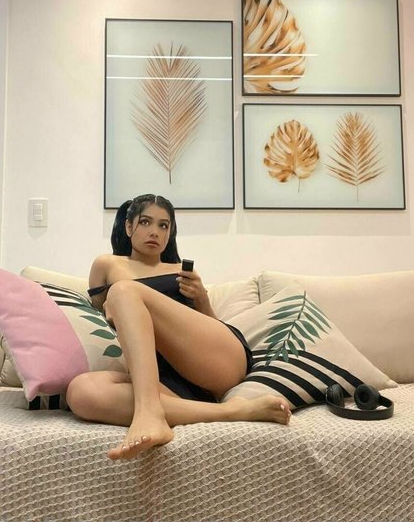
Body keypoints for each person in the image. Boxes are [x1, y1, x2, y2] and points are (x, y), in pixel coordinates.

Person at [66, 194, 291, 461]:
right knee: (81, 392)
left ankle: (149, 414)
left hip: (216, 363)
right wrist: (117, 311)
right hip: (164, 381)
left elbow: (210, 329)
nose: (154, 232)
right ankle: (234, 411)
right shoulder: (108, 264)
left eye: (163, 225)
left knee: (123, 291)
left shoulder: (179, 271)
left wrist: (201, 298)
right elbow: (101, 323)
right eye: (145, 222)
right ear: (128, 226)